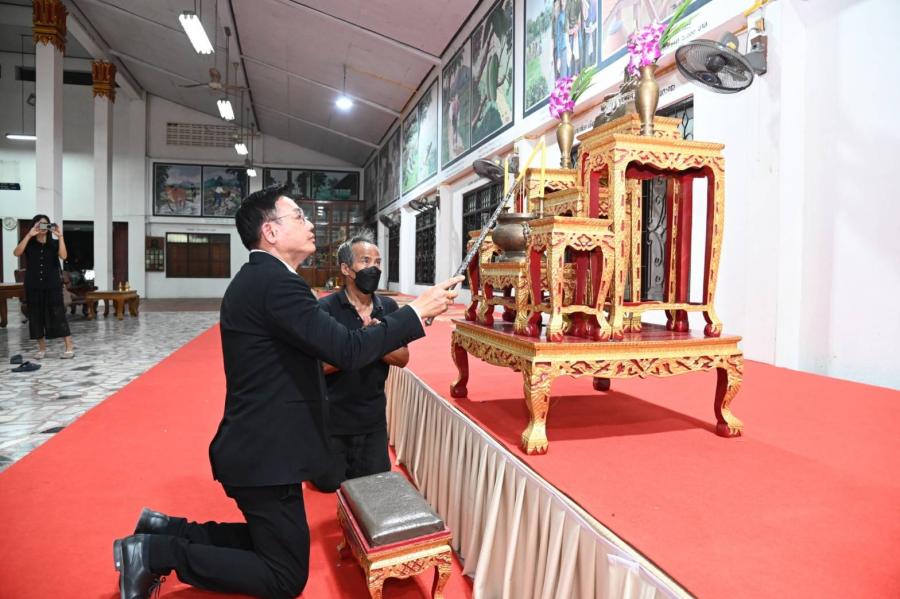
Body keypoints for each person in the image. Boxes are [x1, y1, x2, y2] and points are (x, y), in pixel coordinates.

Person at [112, 184, 462, 599]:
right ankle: (154, 553)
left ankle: (164, 530)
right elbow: (348, 350)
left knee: (275, 546)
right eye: (298, 216)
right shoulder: (276, 284)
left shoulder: (265, 280)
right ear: (271, 232)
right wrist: (415, 312)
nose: (309, 223)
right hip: (265, 452)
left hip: (263, 443)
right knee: (285, 576)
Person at [311, 234, 404, 492]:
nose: (374, 268)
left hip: (372, 419)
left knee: (375, 486)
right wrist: (365, 341)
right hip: (334, 419)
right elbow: (319, 366)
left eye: (378, 262)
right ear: (346, 269)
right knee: (328, 485)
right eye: (365, 261)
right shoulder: (325, 309)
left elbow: (403, 358)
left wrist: (373, 340)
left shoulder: (388, 307)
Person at [12, 214, 75, 359]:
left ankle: (69, 348)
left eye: (46, 224)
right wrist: (29, 235)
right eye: (40, 224)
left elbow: (64, 256)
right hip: (33, 285)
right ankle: (41, 349)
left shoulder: (54, 243)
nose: (43, 227)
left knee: (58, 314)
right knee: (36, 316)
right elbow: (16, 253)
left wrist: (60, 236)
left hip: (52, 285)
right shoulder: (28, 242)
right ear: (34, 226)